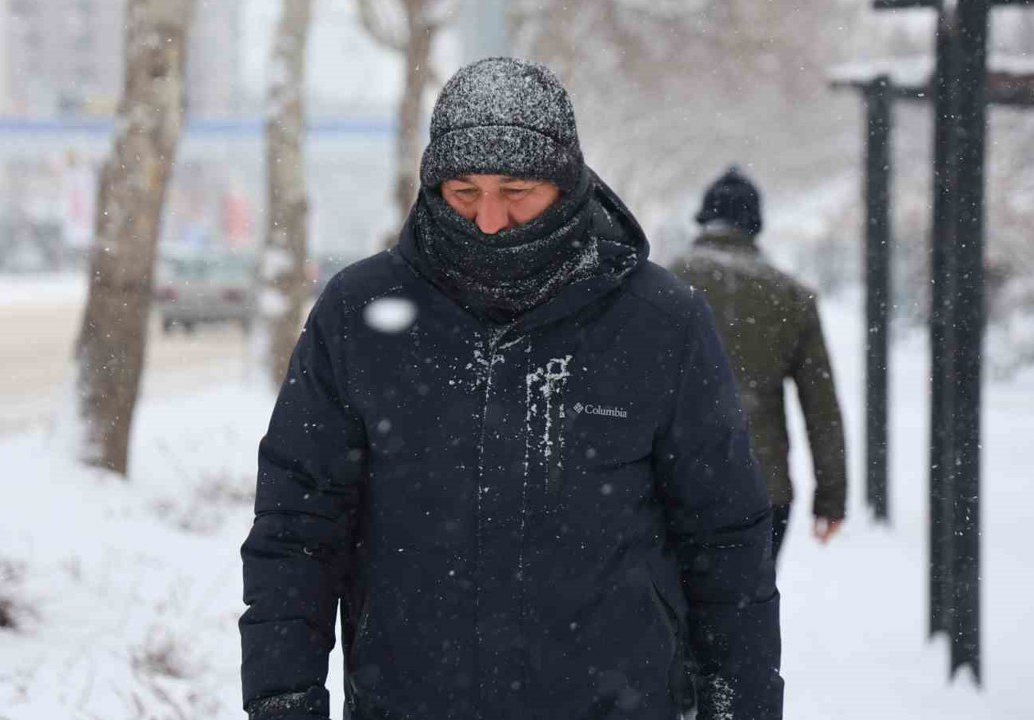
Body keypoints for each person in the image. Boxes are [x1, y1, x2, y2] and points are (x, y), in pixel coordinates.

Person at [240, 58, 782, 720]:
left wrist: (743, 704)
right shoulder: (359, 314)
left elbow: (725, 540)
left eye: (516, 191)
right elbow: (297, 529)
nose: (488, 220)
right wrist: (284, 700)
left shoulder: (661, 322)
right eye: (464, 193)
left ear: (567, 182)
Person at [670, 168, 847, 561]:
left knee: (671, 613)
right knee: (747, 614)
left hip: (674, 484)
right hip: (762, 487)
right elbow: (822, 409)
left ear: (703, 218)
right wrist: (831, 497)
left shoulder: (664, 284)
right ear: (755, 226)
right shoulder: (791, 297)